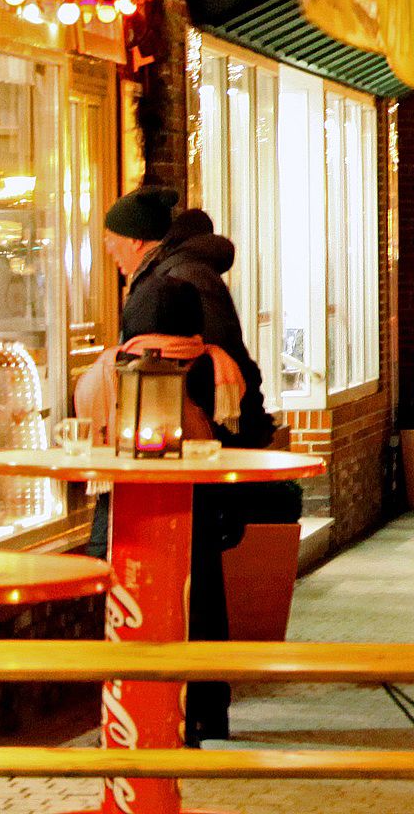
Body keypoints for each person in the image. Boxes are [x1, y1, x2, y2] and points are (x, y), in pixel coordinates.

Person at [90, 188, 285, 743]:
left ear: (134, 239)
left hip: (182, 453)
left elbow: (224, 360)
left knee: (186, 575)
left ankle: (188, 705)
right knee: (194, 575)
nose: (108, 251)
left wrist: (239, 433)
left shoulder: (179, 280)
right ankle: (197, 703)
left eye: (111, 240)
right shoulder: (175, 273)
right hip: (182, 447)